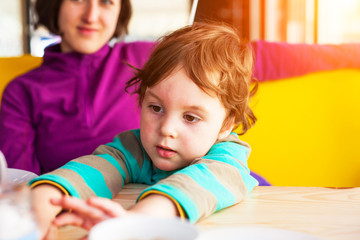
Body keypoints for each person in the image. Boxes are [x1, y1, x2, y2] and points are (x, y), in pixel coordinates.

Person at [29, 22, 259, 238]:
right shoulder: (135, 148)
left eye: (190, 117)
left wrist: (133, 223)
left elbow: (196, 186)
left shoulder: (229, 158)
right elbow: (92, 169)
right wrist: (42, 204)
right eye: (156, 108)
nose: (167, 129)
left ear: (227, 124)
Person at [0, 0, 153, 174]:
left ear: (120, 11)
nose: (91, 17)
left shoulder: (148, 59)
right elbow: (21, 183)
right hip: (60, 198)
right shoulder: (21, 92)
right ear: (55, 5)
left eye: (106, 2)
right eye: (78, 0)